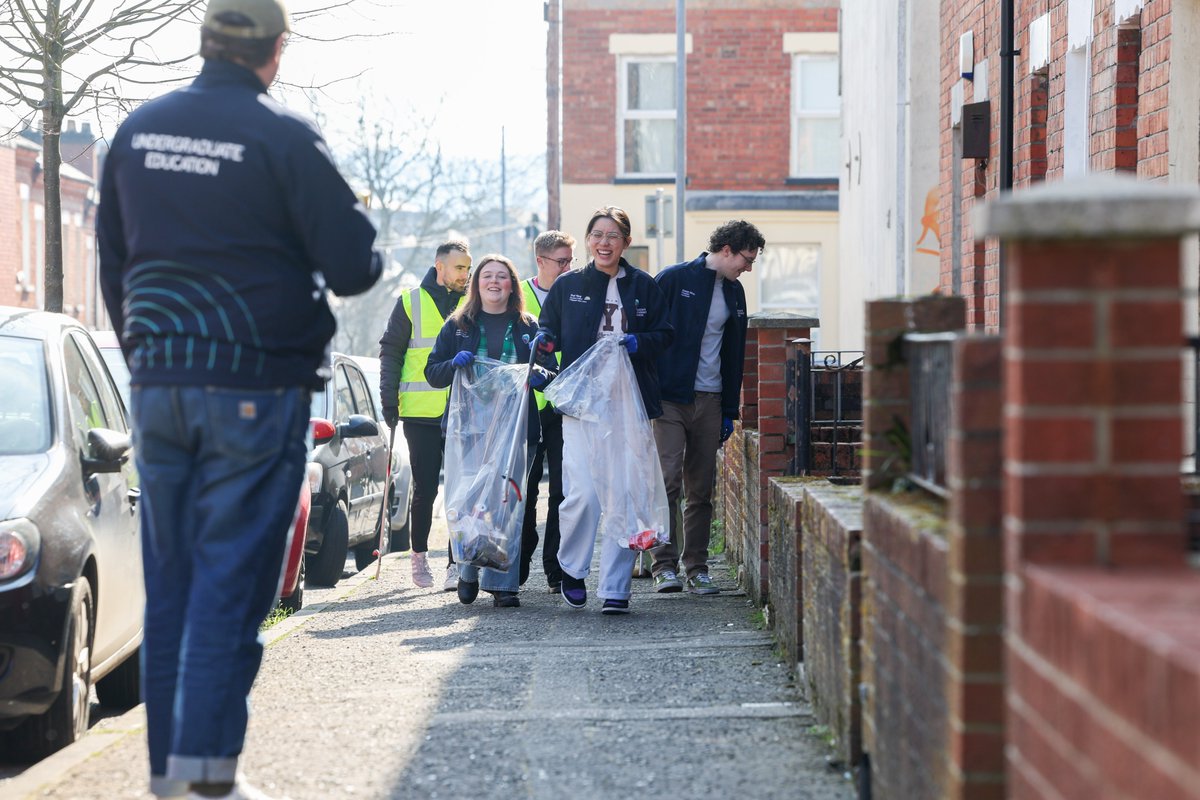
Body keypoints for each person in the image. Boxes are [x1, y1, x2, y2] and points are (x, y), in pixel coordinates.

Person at [96, 1, 381, 797]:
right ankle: (207, 777)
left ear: (204, 43)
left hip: (159, 388)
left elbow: (113, 262)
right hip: (253, 386)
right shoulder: (281, 137)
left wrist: (146, 357)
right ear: (276, 51)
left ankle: (169, 774)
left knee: (175, 582)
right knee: (235, 581)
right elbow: (356, 265)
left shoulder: (138, 132)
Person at [536, 206, 673, 615]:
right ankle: (572, 569)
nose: (604, 242)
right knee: (582, 495)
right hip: (582, 405)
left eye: (613, 235)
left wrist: (639, 343)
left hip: (629, 404)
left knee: (626, 494)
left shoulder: (645, 286)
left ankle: (616, 588)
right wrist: (543, 341)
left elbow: (665, 334)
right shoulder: (569, 285)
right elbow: (550, 330)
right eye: (597, 234)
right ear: (589, 240)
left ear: (625, 242)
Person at [650, 221, 764, 595]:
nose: (748, 267)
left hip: (711, 400)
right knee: (668, 481)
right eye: (747, 259)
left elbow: (735, 353)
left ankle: (696, 568)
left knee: (701, 487)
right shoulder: (672, 279)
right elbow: (652, 336)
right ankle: (662, 565)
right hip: (669, 398)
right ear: (727, 249)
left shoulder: (735, 293)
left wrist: (730, 409)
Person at [425, 254, 544, 608]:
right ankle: (466, 570)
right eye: (487, 276)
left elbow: (551, 371)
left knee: (507, 505)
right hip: (470, 430)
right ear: (476, 284)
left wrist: (537, 375)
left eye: (502, 277)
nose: (494, 282)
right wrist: (451, 364)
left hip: (516, 431)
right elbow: (433, 373)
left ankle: (503, 583)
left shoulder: (528, 327)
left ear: (513, 284)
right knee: (468, 502)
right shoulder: (458, 325)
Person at [379, 240, 470, 591]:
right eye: (459, 267)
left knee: (461, 490)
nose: (465, 274)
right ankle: (419, 557)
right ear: (440, 267)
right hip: (421, 413)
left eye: (468, 267)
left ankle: (454, 562)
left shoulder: (471, 301)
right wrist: (389, 400)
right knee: (426, 488)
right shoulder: (410, 301)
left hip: (464, 410)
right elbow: (391, 351)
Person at [518, 230, 576, 593]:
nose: (569, 267)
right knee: (525, 491)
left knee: (563, 491)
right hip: (526, 408)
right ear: (540, 261)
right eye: (562, 261)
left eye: (572, 260)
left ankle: (555, 569)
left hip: (563, 405)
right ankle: (519, 565)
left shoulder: (575, 294)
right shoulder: (518, 295)